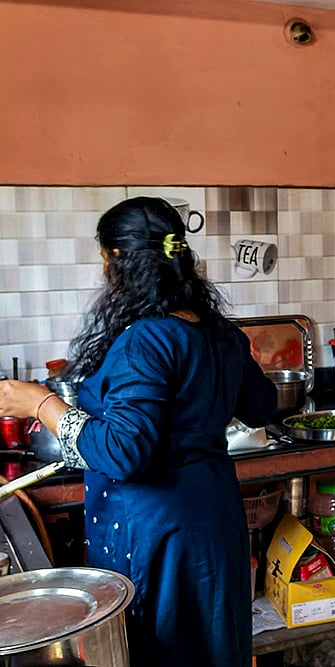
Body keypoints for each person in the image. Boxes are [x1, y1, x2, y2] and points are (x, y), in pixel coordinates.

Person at [0, 197, 277, 666]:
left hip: (158, 532)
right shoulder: (216, 330)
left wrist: (40, 403)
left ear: (116, 259)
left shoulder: (147, 339)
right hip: (213, 521)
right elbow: (262, 406)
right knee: (214, 647)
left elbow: (123, 452)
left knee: (164, 650)